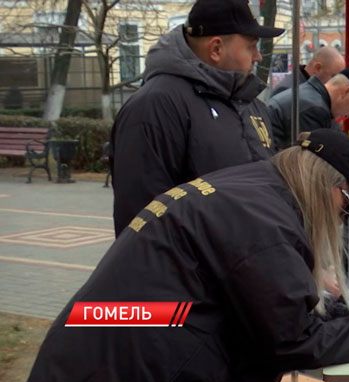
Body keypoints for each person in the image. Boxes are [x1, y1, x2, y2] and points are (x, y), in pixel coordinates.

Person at [25, 129, 349, 382]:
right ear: (329, 185)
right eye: (346, 204)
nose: (341, 217)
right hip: (139, 365)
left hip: (112, 336)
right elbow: (288, 337)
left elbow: (260, 296)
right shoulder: (267, 222)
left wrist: (332, 304)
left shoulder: (257, 188)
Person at [109, 0, 280, 237]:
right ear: (216, 49)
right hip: (197, 272)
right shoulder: (155, 107)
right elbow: (144, 221)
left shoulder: (251, 104)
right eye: (251, 46)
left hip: (249, 267)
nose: (258, 57)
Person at [266, 67, 349, 149]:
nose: (347, 115)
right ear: (346, 92)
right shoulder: (315, 109)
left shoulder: (312, 96)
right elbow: (311, 160)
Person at [270, 46, 345, 96]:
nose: (336, 82)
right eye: (333, 76)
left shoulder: (311, 88)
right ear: (317, 68)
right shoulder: (288, 90)